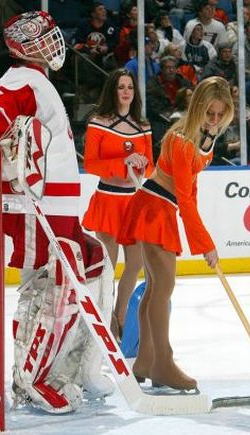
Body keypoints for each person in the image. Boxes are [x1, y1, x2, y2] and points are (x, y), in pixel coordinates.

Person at [0, 10, 115, 413]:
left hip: (58, 207)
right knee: (58, 285)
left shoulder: (37, 83)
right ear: (25, 45)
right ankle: (31, 378)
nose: (54, 43)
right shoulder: (22, 81)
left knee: (94, 262)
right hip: (37, 207)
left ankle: (75, 369)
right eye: (45, 37)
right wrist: (14, 135)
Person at [117, 76, 234, 390]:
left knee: (156, 288)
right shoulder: (182, 140)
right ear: (197, 107)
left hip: (158, 206)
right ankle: (163, 364)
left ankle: (145, 359)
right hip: (156, 208)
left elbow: (189, 190)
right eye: (209, 113)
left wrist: (203, 242)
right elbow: (186, 198)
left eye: (219, 114)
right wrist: (206, 244)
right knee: (164, 286)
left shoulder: (202, 136)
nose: (214, 119)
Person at [82, 68, 154, 341]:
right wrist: (123, 163)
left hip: (134, 203)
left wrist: (141, 163)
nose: (126, 91)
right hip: (109, 201)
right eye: (121, 86)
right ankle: (106, 320)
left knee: (134, 264)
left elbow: (151, 166)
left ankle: (121, 314)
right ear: (113, 90)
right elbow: (90, 164)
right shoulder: (98, 122)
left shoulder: (144, 125)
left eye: (130, 87)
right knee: (108, 267)